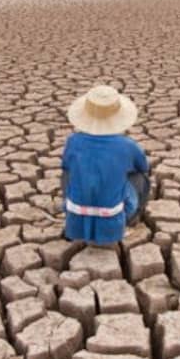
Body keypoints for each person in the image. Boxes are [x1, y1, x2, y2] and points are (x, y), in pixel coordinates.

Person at [61, 85, 150, 245]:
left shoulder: (72, 141)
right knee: (140, 178)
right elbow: (143, 167)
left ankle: (71, 214)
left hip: (76, 216)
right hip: (112, 220)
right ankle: (130, 220)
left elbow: (66, 165)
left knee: (68, 172)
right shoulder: (126, 145)